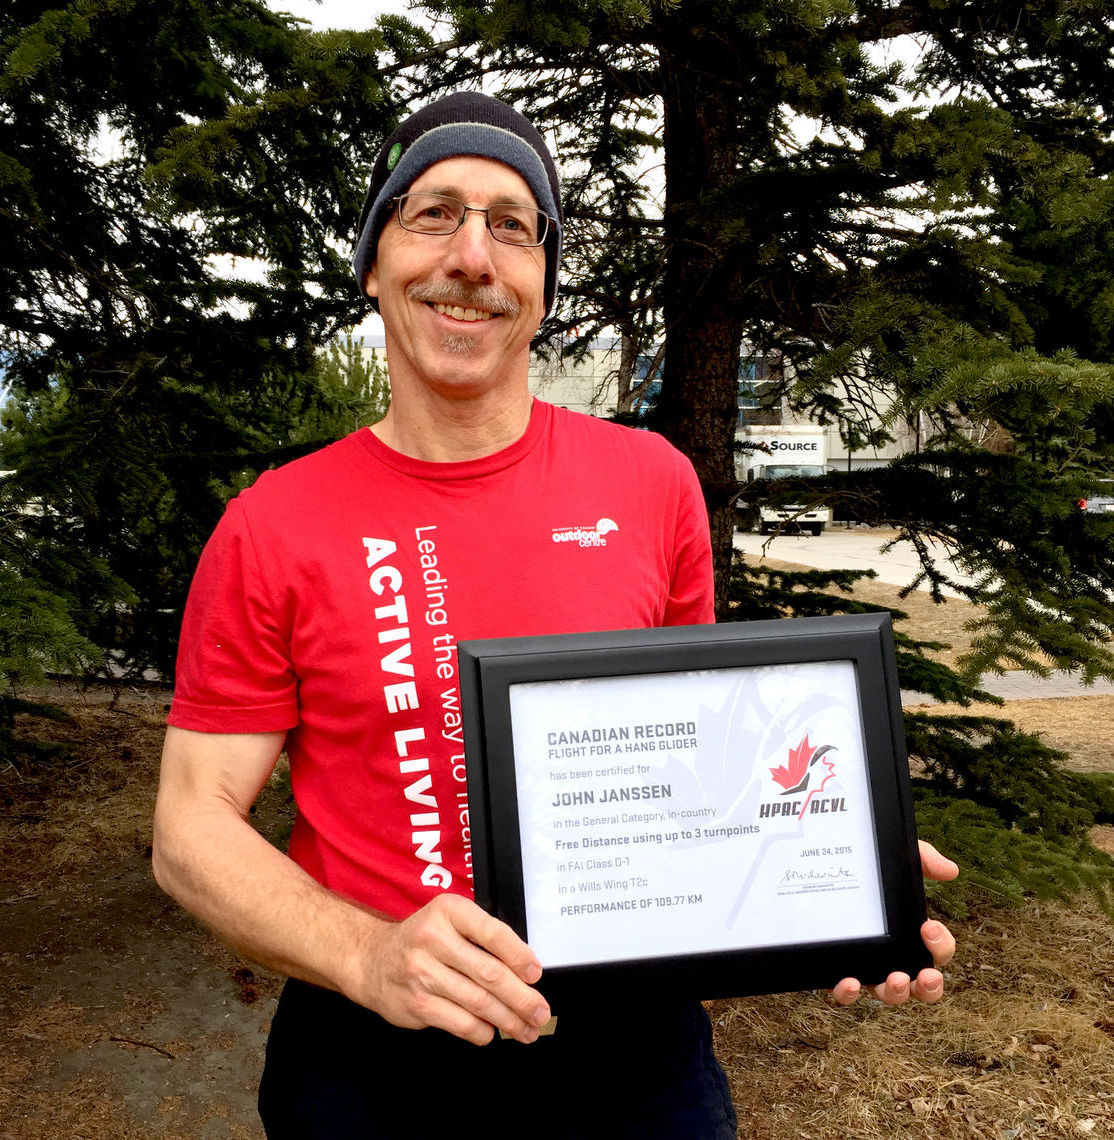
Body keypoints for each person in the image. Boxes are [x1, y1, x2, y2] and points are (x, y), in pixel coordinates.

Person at [152, 92, 957, 1139]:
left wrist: (834, 868)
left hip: (634, 1054)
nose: (473, 257)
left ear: (540, 286)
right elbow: (189, 827)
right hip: (372, 1051)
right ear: (372, 263)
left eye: (512, 225)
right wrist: (367, 955)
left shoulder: (652, 484)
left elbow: (698, 768)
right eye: (433, 213)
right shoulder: (273, 524)